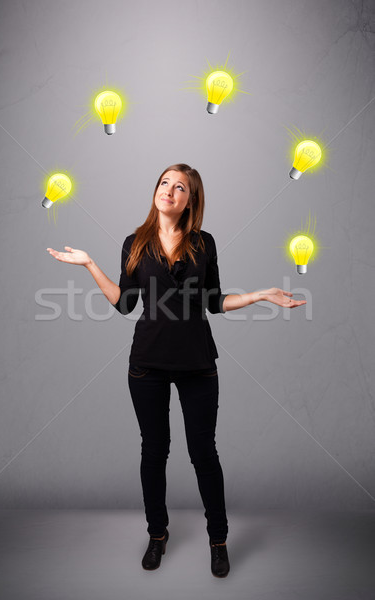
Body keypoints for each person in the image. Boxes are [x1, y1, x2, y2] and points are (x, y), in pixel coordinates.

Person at [46, 163, 306, 578]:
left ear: (191, 200)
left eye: (179, 186)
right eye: (164, 183)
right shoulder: (135, 241)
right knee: (154, 451)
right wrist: (89, 264)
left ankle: (218, 541)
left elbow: (214, 302)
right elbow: (125, 303)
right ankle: (157, 535)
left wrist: (260, 294)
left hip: (197, 363)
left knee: (204, 453)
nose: (168, 190)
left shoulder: (205, 244)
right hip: (147, 363)